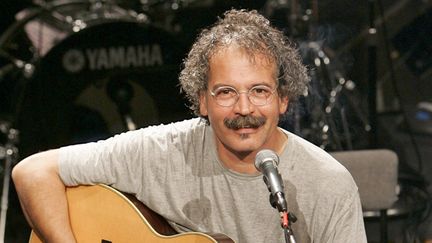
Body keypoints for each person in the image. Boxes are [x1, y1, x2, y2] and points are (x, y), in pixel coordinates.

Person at [12, 9, 367, 243]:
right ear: (202, 101)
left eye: (259, 91)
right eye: (226, 92)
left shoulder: (327, 185)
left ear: (283, 99)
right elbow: (32, 171)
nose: (244, 109)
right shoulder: (163, 151)